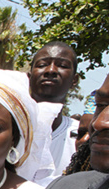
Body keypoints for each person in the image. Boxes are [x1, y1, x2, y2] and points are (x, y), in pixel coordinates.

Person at [28, 42, 79, 180]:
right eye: (42, 64)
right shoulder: (6, 131)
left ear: (75, 80)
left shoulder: (82, 137)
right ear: (29, 76)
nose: (51, 70)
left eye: (62, 65)